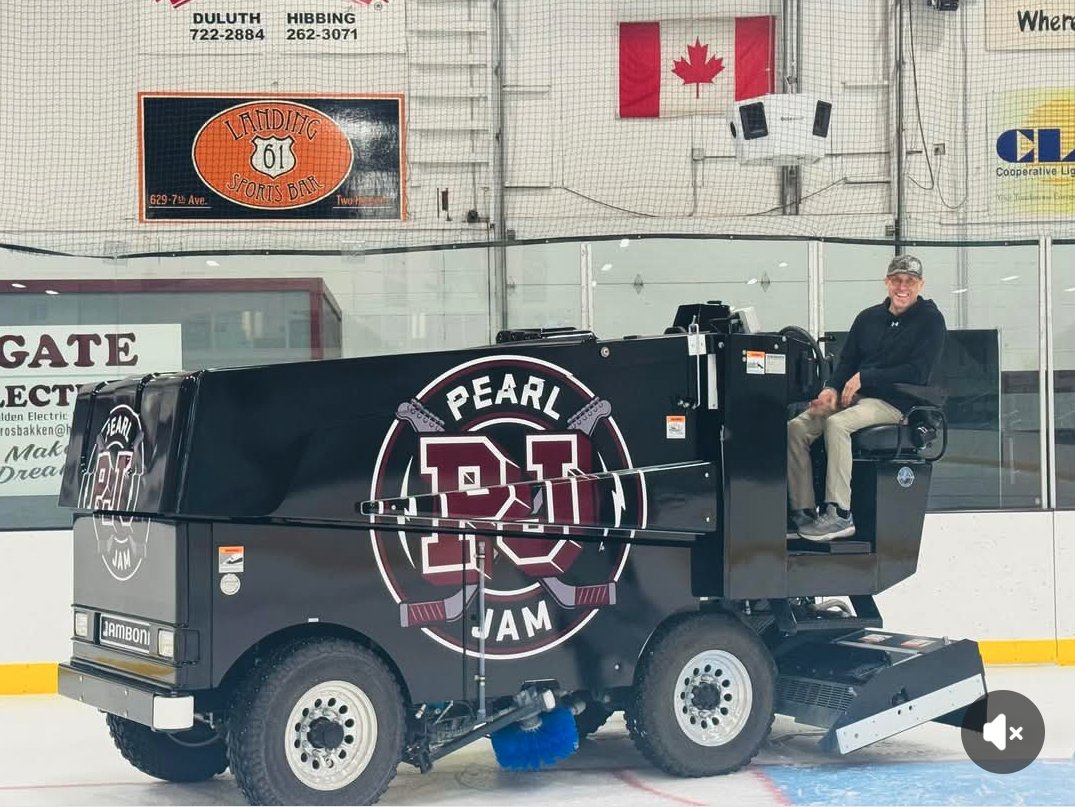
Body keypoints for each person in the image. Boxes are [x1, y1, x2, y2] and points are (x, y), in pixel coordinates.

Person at [788, 254, 947, 542]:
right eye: (897, 280)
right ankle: (803, 511)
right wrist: (831, 388)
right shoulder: (868, 318)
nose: (902, 287)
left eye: (910, 282)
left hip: (895, 402)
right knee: (797, 427)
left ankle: (839, 513)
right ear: (887, 282)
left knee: (838, 425)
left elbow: (918, 371)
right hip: (853, 394)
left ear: (920, 285)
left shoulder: (930, 321)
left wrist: (867, 377)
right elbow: (848, 362)